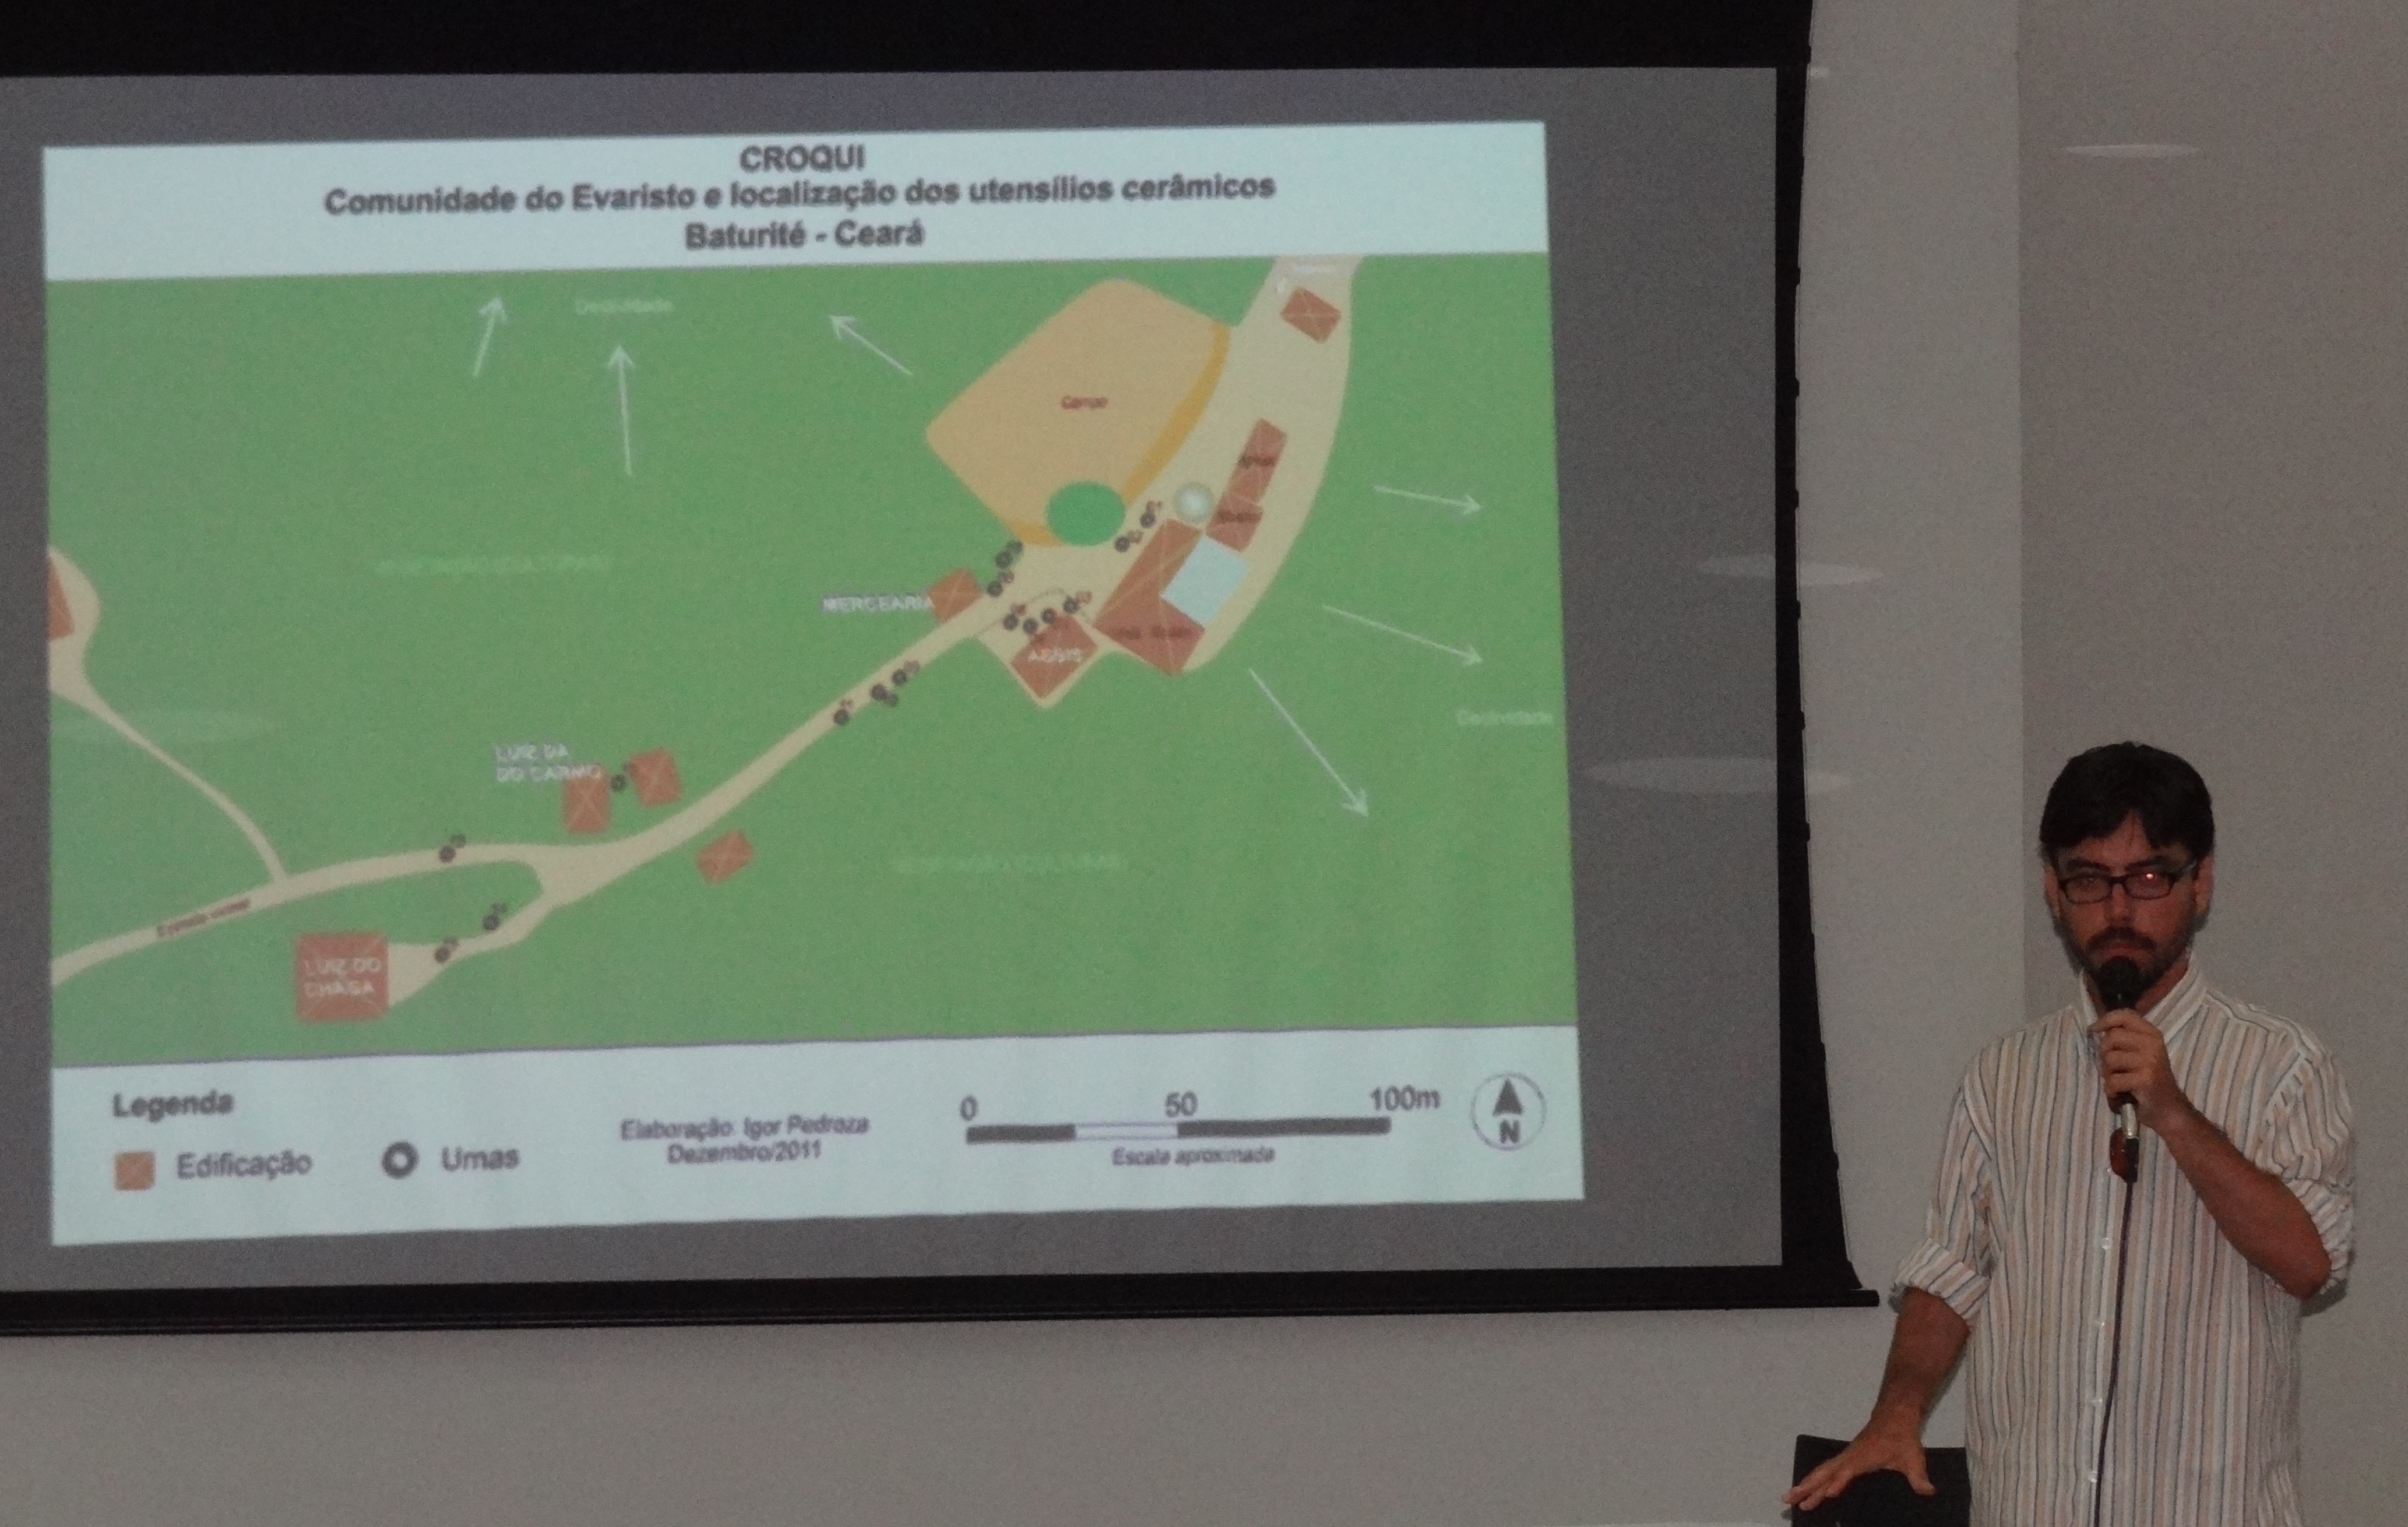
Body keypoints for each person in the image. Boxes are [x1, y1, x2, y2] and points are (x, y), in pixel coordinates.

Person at [1786, 742, 2354, 1526]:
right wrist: (1897, 1413)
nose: (2119, 910)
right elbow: (1952, 1271)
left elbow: (2310, 1262)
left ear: (2201, 883)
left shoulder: (2284, 1064)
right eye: (2089, 880)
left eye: (2149, 878)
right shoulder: (2002, 1076)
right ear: (2054, 891)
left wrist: (2174, 1113)